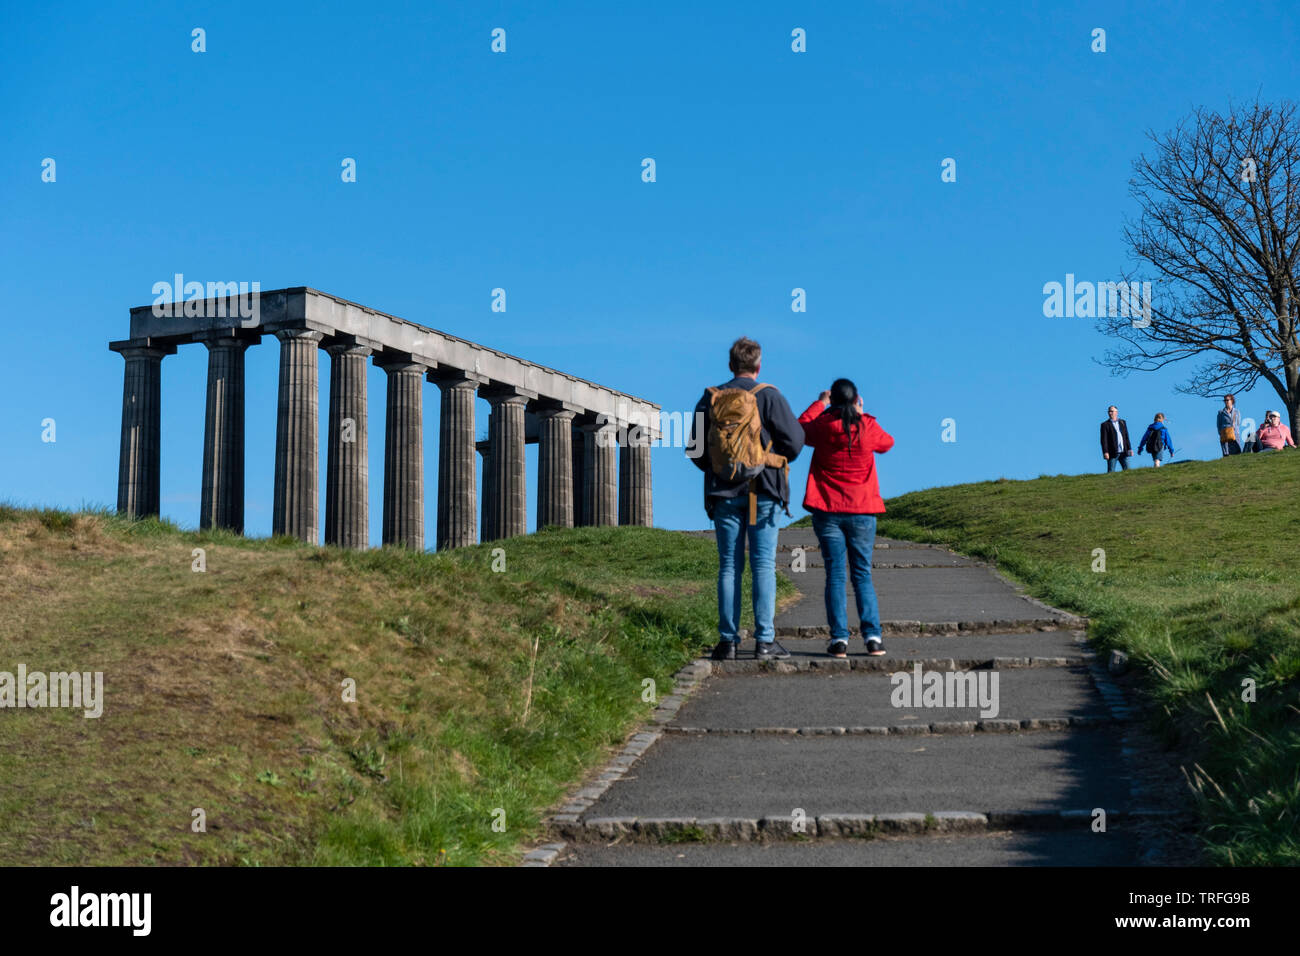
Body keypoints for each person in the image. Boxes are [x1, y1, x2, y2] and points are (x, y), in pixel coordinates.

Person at [689, 337, 804, 661]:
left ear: (730, 365)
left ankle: (728, 642)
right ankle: (764, 642)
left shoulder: (710, 397)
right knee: (763, 565)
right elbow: (795, 443)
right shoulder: (769, 395)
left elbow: (695, 450)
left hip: (723, 492)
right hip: (764, 490)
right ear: (758, 365)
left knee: (729, 566)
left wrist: (722, 469)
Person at [798, 379, 894, 658]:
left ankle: (839, 640)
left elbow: (799, 429)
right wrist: (862, 414)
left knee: (835, 576)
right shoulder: (867, 426)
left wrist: (820, 403)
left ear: (834, 400)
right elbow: (888, 443)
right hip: (862, 511)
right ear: (856, 400)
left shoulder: (823, 426)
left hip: (828, 511)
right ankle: (873, 637)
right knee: (863, 574)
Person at [1099, 406, 1133, 472]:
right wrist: (1105, 452)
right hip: (1112, 452)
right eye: (1109, 411)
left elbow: (1126, 436)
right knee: (1111, 471)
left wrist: (1129, 448)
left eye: (1112, 411)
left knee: (1128, 471)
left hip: (1124, 451)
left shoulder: (1122, 422)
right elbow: (1104, 440)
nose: (1110, 413)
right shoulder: (1105, 425)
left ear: (1116, 412)